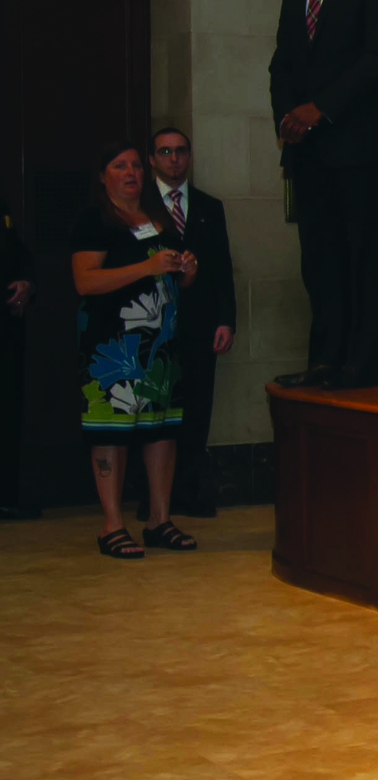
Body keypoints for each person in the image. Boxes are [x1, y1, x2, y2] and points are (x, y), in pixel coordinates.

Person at [268, 0, 378, 391]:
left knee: (361, 254)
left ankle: (361, 364)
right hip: (309, 150)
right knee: (319, 259)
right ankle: (324, 361)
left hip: (360, 144)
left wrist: (320, 109)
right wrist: (289, 118)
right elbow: (282, 65)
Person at [71, 143, 202, 558]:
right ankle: (112, 525)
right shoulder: (95, 219)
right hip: (113, 346)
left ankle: (159, 520)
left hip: (160, 346)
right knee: (111, 431)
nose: (130, 172)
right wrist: (146, 267)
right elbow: (85, 281)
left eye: (135, 166)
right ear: (102, 175)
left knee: (162, 431)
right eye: (119, 166)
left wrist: (187, 271)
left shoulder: (157, 217)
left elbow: (172, 279)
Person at [149, 129, 234, 516]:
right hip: (153, 325)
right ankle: (153, 496)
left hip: (200, 324)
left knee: (197, 408)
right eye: (165, 152)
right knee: (156, 410)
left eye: (180, 151)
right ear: (153, 159)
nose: (174, 159)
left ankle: (188, 490)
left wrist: (226, 320)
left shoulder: (208, 207)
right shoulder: (141, 205)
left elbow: (222, 269)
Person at [0, 193, 35, 520]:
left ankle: (6, 496)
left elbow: (17, 250)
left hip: (7, 328)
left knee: (7, 411)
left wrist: (26, 282)